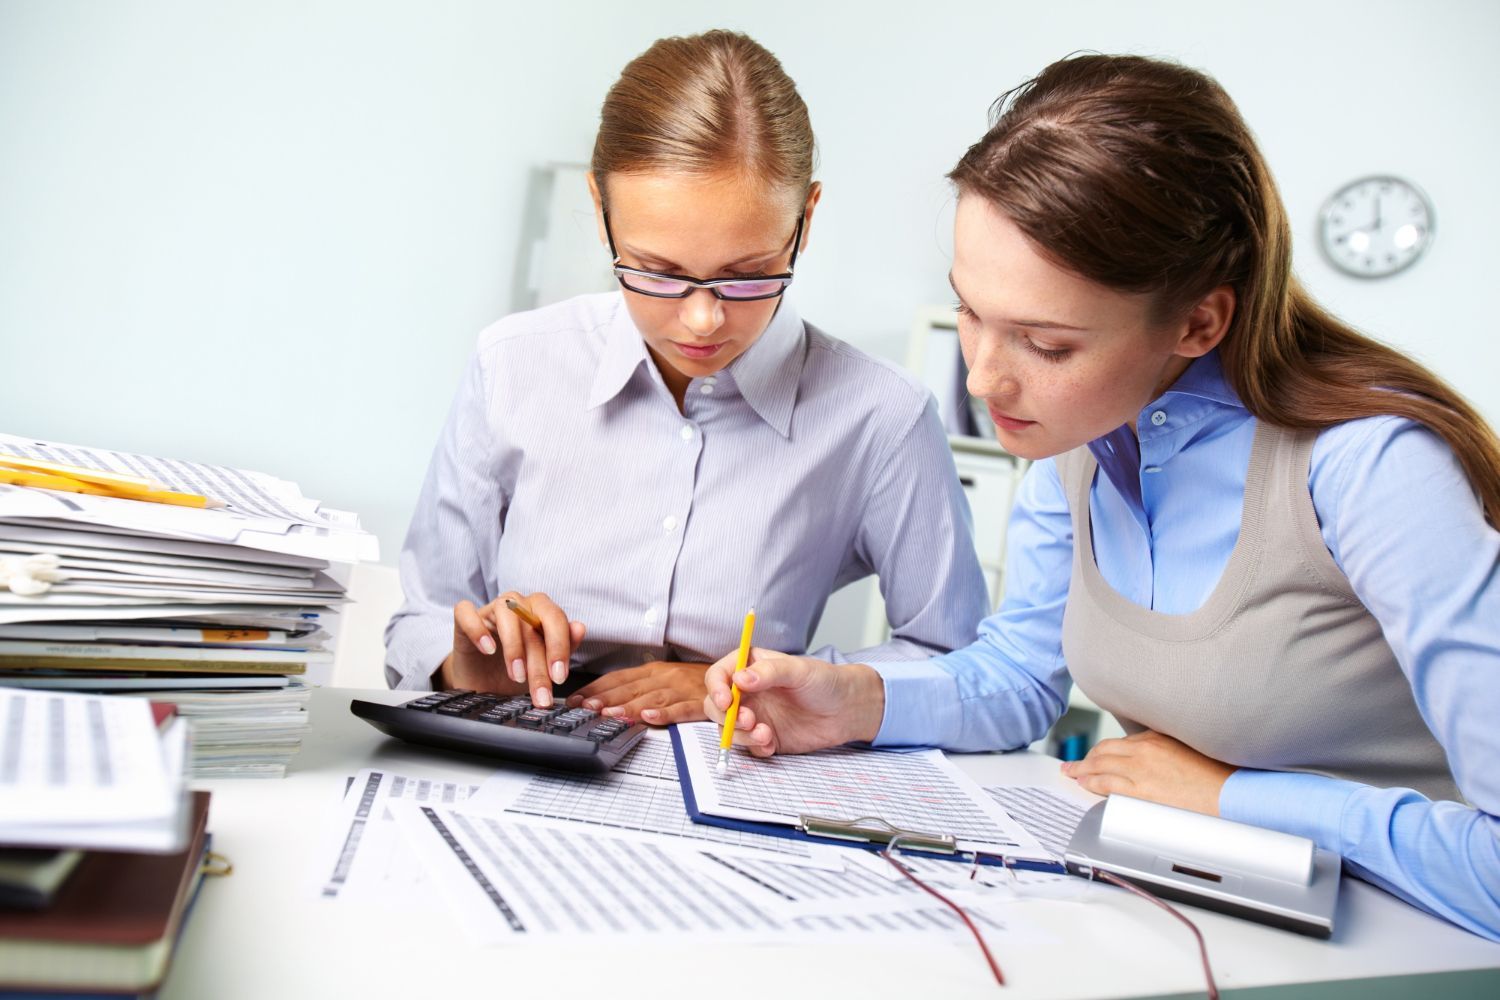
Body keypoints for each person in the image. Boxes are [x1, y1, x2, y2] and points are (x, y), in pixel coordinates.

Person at [705, 53, 1500, 941]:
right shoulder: (1078, 442)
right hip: (1199, 921)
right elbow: (1017, 676)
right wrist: (854, 701)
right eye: (969, 310)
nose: (983, 377)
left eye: (1045, 344)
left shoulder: (1373, 468)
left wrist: (1238, 798)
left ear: (1200, 321)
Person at [384, 30, 988, 726]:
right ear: (600, 206)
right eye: (658, 272)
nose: (702, 320)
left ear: (806, 219)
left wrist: (764, 683)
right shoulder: (513, 364)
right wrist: (469, 662)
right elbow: (418, 621)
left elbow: (956, 662)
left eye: (748, 274)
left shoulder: (882, 415)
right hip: (519, 752)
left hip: (737, 775)